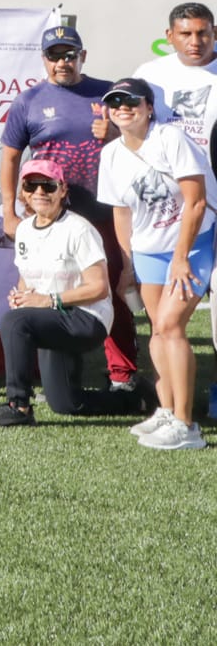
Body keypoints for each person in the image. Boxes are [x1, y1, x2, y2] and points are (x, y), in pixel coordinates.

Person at [0, 24, 136, 390]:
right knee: (49, 285)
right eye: (55, 55)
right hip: (50, 215)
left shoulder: (108, 93)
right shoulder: (28, 101)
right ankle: (57, 375)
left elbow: (142, 139)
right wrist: (10, 211)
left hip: (103, 211)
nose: (62, 62)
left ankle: (122, 375)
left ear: (82, 57)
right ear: (44, 60)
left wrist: (117, 134)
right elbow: (10, 158)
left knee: (111, 289)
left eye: (69, 55)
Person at [0, 159, 153, 428]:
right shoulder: (23, 229)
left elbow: (99, 288)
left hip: (87, 318)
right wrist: (22, 298)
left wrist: (47, 301)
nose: (39, 192)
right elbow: (26, 276)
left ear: (62, 190)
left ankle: (18, 405)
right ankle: (139, 399)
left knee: (13, 322)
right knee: (66, 404)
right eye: (31, 185)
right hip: (53, 315)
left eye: (48, 185)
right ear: (23, 192)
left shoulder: (79, 229)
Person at [97, 77, 212, 450]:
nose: (123, 108)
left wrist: (181, 257)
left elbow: (195, 202)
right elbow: (121, 212)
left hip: (191, 245)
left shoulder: (170, 139)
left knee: (170, 324)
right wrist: (128, 264)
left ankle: (186, 425)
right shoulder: (111, 154)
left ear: (149, 107)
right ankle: (166, 410)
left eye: (132, 101)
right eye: (116, 102)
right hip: (148, 249)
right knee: (157, 333)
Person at [135, 2, 217, 155]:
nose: (195, 42)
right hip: (164, 174)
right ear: (170, 36)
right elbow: (133, 123)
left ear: (215, 33)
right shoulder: (148, 73)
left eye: (202, 33)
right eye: (186, 34)